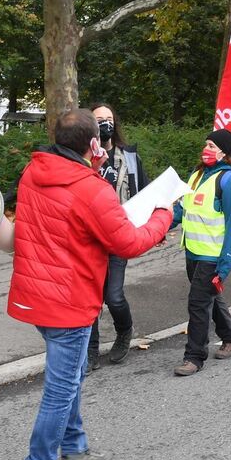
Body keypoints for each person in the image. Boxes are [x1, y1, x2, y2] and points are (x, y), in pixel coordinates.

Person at [9, 109, 172, 460]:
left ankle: (75, 451)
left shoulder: (35, 171)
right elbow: (128, 243)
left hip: (35, 295)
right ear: (95, 143)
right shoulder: (91, 188)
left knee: (74, 374)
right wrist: (164, 214)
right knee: (61, 389)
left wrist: (91, 164)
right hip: (69, 300)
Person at [171, 129, 231, 376]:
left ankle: (194, 357)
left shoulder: (230, 182)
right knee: (209, 298)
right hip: (193, 251)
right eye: (206, 144)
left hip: (213, 255)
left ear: (224, 153)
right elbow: (182, 210)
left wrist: (225, 264)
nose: (207, 149)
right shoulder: (195, 176)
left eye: (213, 146)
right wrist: (158, 227)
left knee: (197, 303)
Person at [84, 103, 151, 370]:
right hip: (89, 238)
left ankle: (124, 331)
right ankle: (90, 351)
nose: (105, 123)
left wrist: (150, 229)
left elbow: (146, 194)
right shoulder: (82, 157)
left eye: (109, 118)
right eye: (99, 119)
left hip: (118, 235)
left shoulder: (129, 158)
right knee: (90, 297)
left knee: (113, 296)